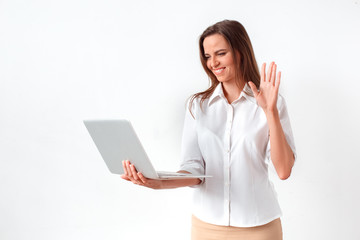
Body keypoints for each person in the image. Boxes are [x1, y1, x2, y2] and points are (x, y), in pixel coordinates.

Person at [121, 19, 296, 240]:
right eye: (207, 56)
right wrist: (159, 183)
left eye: (220, 53)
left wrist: (270, 111)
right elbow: (195, 169)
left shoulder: (272, 102)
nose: (212, 62)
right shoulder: (198, 106)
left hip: (259, 226)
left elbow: (284, 170)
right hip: (207, 227)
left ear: (240, 51)